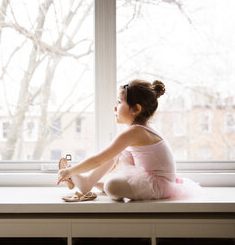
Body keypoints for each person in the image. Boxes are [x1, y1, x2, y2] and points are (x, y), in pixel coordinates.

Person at [57, 79, 198, 201]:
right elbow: (109, 159)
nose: (114, 107)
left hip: (159, 184)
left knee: (112, 185)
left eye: (119, 102)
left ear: (136, 109)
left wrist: (70, 171)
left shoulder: (135, 132)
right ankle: (88, 182)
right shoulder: (139, 130)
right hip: (149, 177)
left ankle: (93, 183)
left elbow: (98, 159)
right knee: (117, 153)